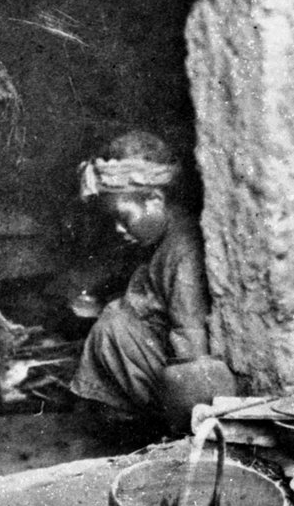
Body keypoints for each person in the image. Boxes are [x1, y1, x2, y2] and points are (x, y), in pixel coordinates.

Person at [69, 130, 234, 433]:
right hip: (161, 349)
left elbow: (192, 343)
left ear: (155, 199)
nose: (118, 229)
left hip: (188, 379)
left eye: (124, 217)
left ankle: (164, 424)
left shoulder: (183, 254)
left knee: (114, 324)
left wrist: (192, 413)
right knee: (115, 315)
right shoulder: (163, 240)